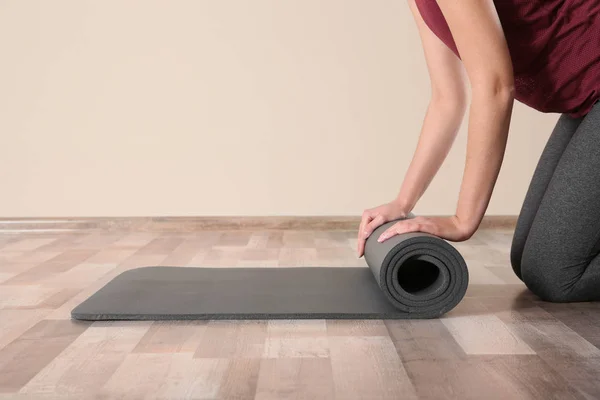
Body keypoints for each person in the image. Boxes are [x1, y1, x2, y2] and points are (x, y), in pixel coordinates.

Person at [356, 0, 600, 303]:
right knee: (527, 261)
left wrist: (463, 220)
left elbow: (495, 87)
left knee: (557, 275)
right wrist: (403, 202)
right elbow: (447, 99)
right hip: (588, 99)